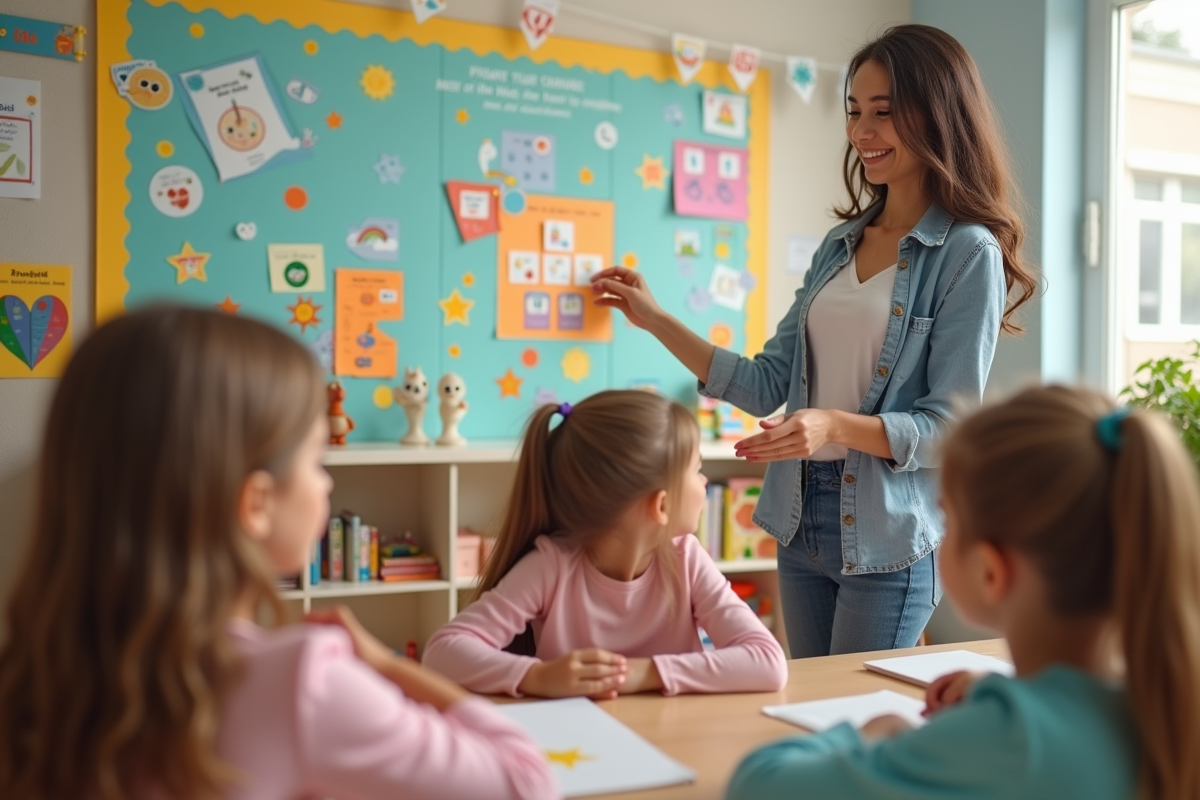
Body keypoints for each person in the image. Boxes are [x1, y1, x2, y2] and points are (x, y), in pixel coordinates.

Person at [591, 24, 1038, 657]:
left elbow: (950, 428)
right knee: (808, 714)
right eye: (855, 111)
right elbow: (766, 382)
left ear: (939, 116)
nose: (861, 132)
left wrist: (833, 425)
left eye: (884, 112)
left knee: (847, 723)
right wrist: (654, 317)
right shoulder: (840, 245)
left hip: (887, 534)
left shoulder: (967, 253)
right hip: (799, 519)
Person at [0, 307, 556, 800]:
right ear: (257, 502)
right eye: (317, 461)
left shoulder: (31, 675)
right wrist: (386, 665)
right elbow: (526, 779)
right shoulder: (298, 682)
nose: (326, 486)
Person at [726, 385, 1200, 800]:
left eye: (947, 517)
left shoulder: (1000, 741)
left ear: (990, 573)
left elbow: (758, 782)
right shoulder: (1163, 703)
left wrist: (876, 734)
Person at [423, 390, 787, 698]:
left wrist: (643, 674)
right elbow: (441, 653)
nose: (705, 481)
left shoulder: (687, 558)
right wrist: (537, 677)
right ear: (661, 505)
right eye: (696, 469)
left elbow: (768, 663)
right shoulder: (551, 566)